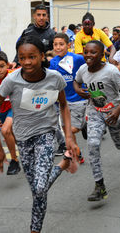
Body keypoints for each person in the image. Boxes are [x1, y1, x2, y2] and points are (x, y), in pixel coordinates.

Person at [0, 35, 78, 233]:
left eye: (32, 57)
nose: (27, 62)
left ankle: (34, 230)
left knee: (39, 188)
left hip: (46, 134)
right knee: (38, 190)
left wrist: (69, 138)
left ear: (41, 57)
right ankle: (62, 164)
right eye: (22, 58)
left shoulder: (55, 78)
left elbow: (63, 105)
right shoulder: (12, 80)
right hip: (22, 138)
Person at [74, 40, 120, 201]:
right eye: (86, 52)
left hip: (114, 112)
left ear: (102, 55)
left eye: (93, 52)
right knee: (93, 144)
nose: (88, 55)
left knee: (119, 143)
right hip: (95, 112)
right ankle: (99, 186)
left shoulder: (111, 71)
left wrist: (118, 110)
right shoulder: (83, 70)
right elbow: (76, 80)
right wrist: (78, 90)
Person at [49, 33, 86, 163]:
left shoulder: (77, 59)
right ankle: (77, 153)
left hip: (79, 99)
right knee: (67, 131)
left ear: (68, 45)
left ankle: (84, 124)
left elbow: (86, 72)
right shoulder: (53, 62)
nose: (58, 47)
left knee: (71, 130)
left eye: (61, 44)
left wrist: (86, 89)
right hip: (63, 102)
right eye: (55, 44)